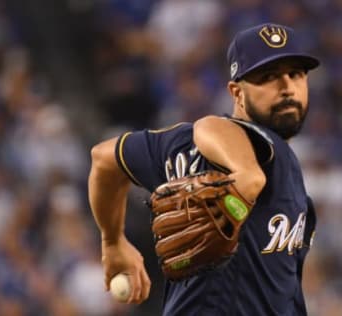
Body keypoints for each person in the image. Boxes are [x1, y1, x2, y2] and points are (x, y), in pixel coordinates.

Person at [88, 22, 319, 316]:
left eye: (296, 74)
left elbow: (104, 159)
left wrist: (112, 240)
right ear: (236, 93)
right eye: (268, 77)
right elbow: (214, 126)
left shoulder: (176, 145)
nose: (287, 88)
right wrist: (244, 180)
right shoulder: (266, 149)